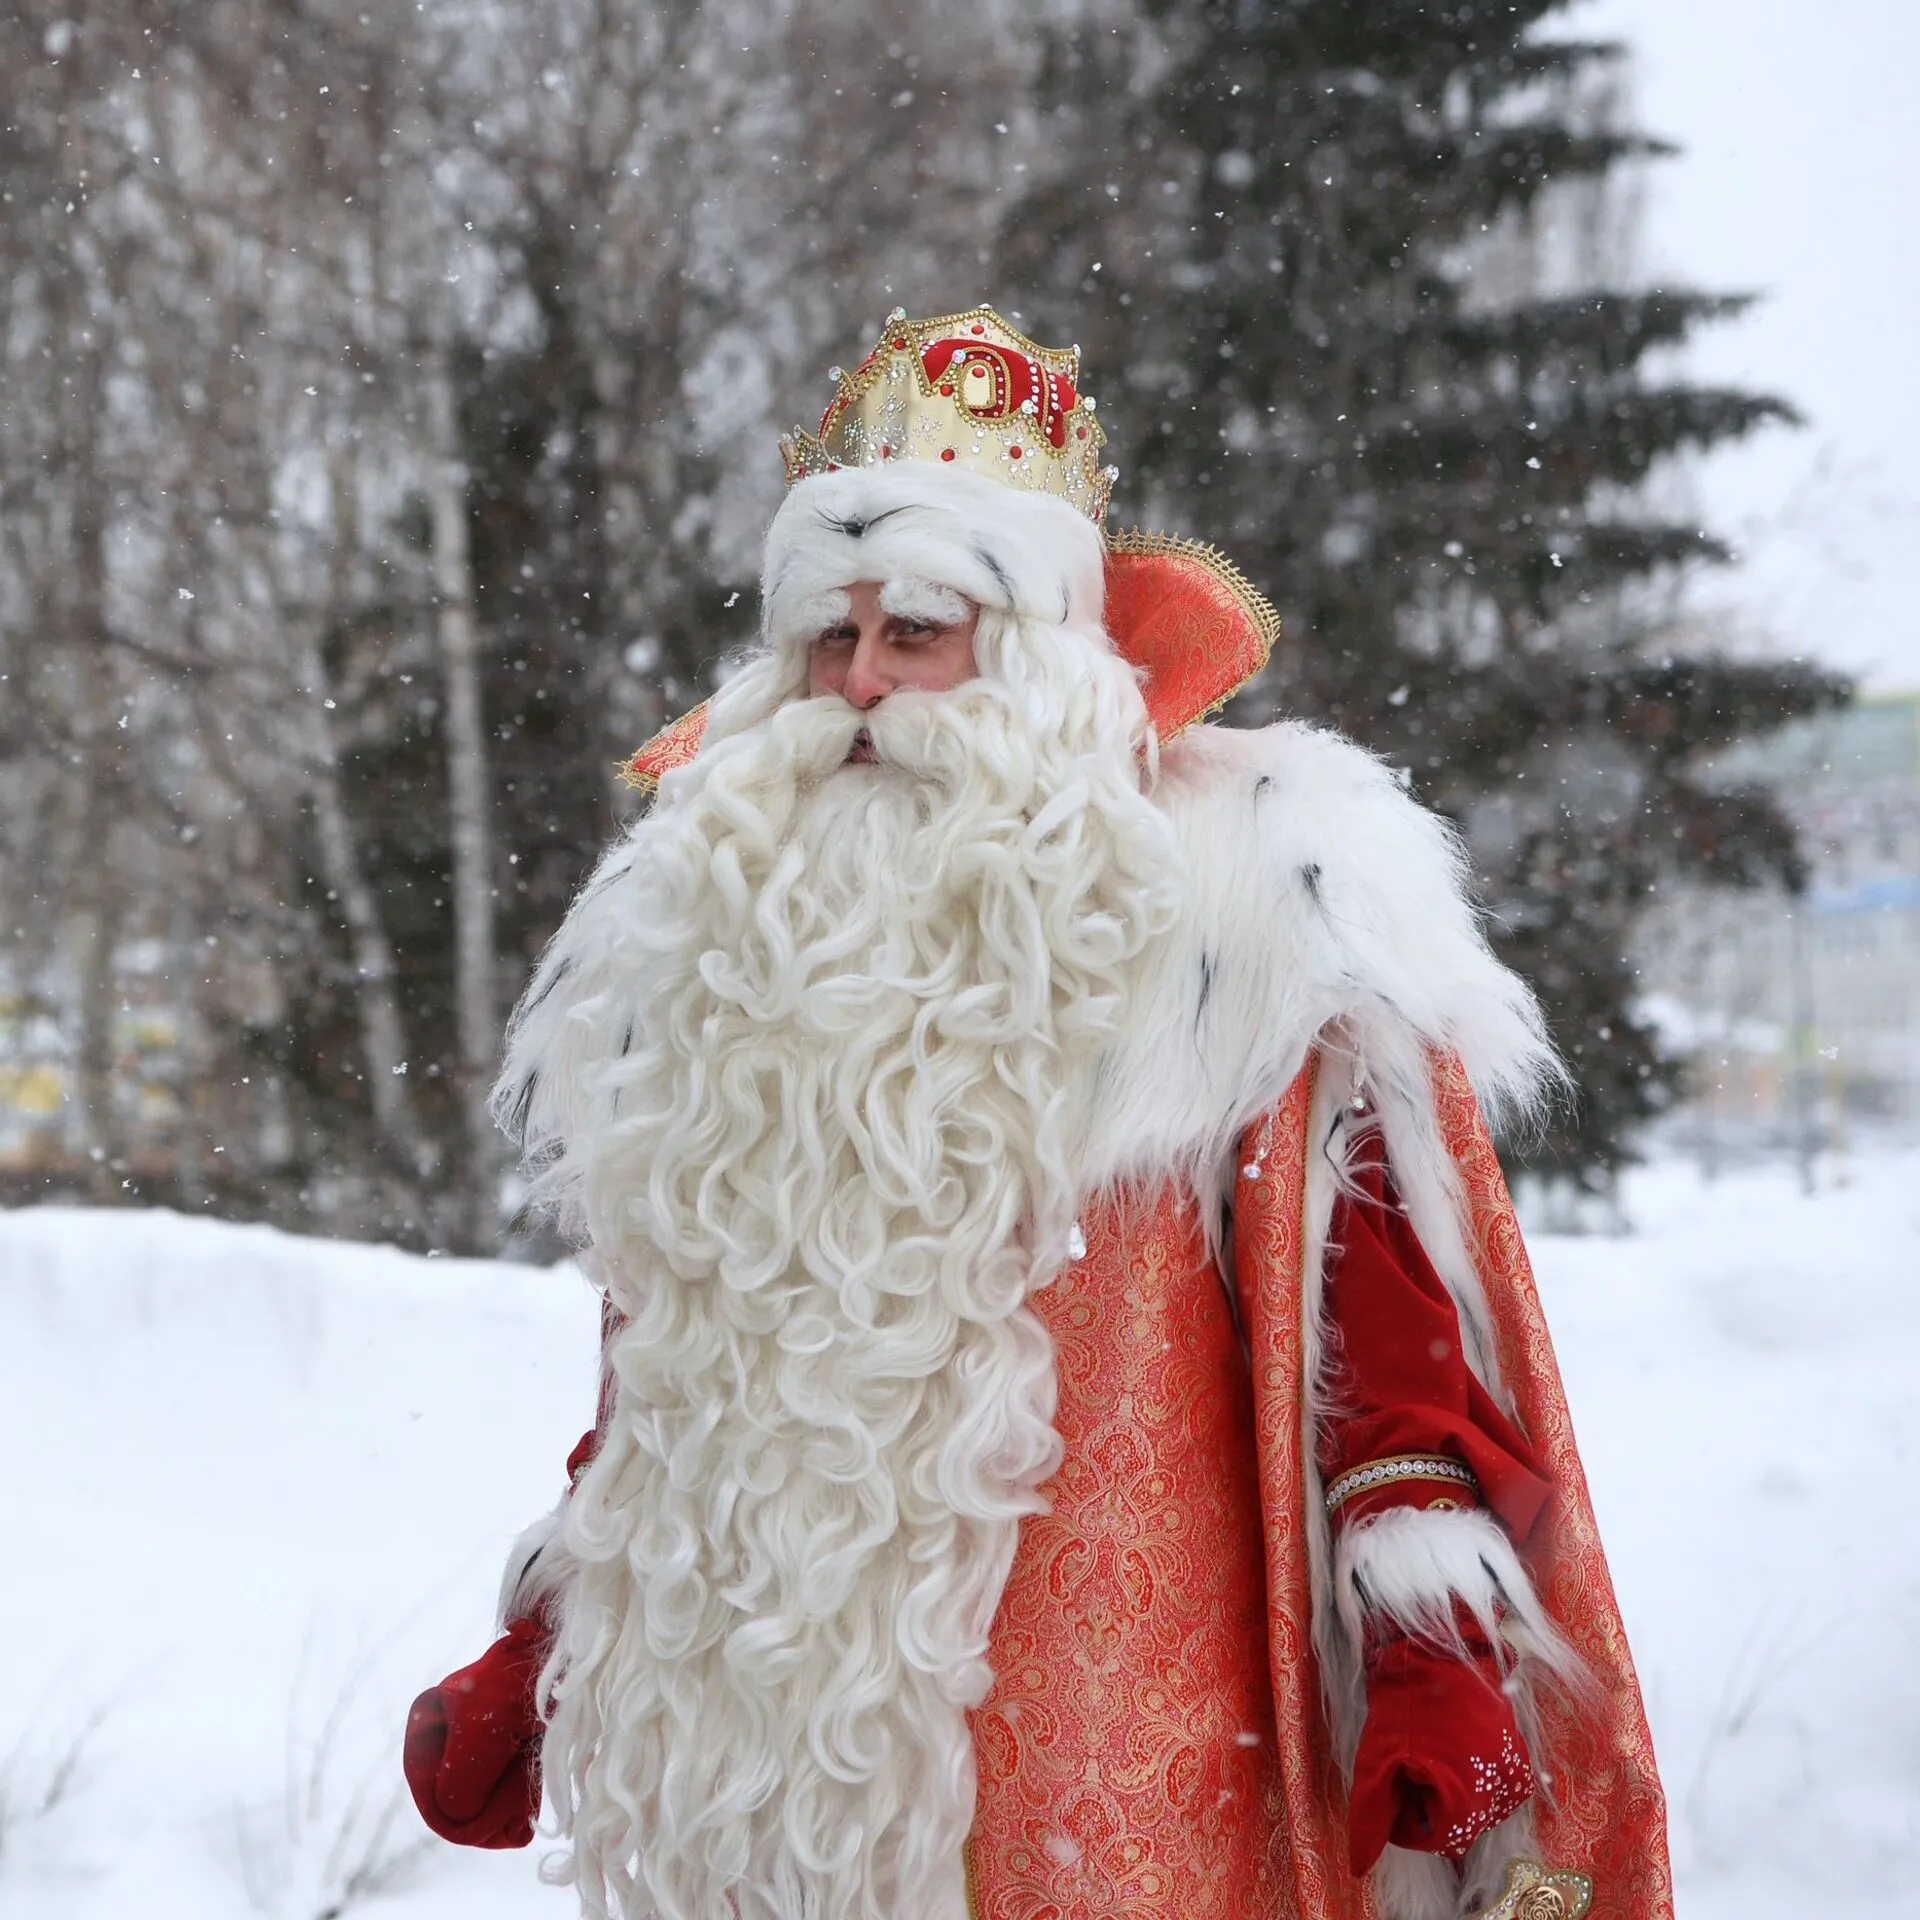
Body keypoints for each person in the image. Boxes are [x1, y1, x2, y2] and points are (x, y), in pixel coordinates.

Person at [402, 306, 1671, 1920]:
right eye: (828, 637)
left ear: (1041, 651)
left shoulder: (1249, 908)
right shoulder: (726, 931)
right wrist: (556, 1635)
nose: (860, 687)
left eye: (917, 630)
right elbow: (691, 1371)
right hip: (791, 1792)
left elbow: (1373, 1319)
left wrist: (1429, 1635)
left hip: (1129, 1775)